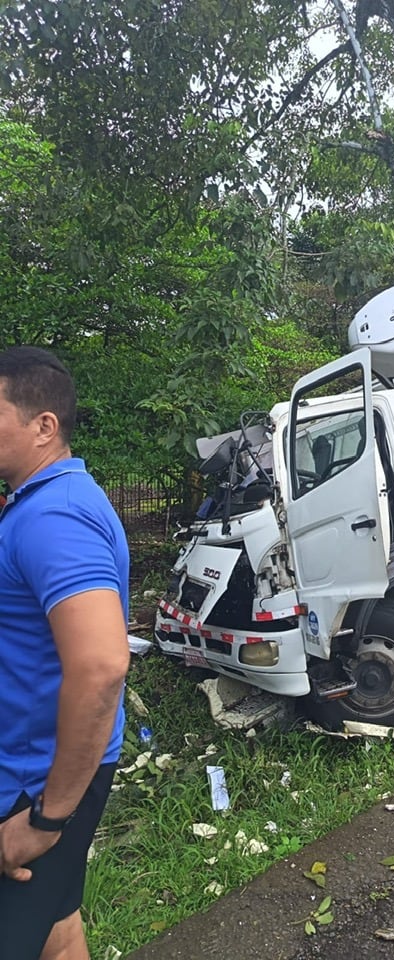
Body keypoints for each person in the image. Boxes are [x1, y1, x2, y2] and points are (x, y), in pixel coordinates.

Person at [0, 346, 130, 960]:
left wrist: (47, 820)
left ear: (43, 426)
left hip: (32, 788)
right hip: (50, 771)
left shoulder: (54, 515)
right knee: (59, 927)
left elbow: (102, 666)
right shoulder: (47, 501)